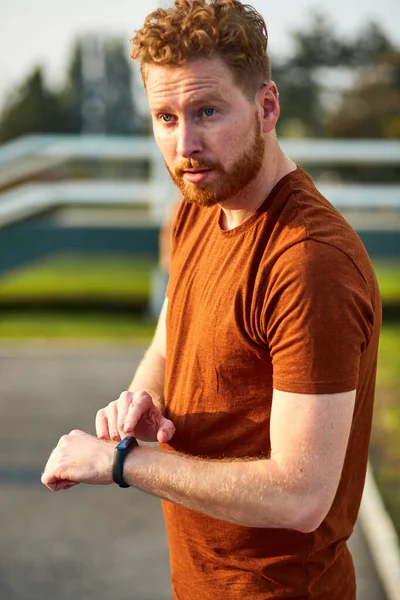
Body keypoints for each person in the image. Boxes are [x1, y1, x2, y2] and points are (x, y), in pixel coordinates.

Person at [41, 1, 382, 598]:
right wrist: (142, 396)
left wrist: (121, 464)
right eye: (165, 117)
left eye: (207, 111)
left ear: (267, 105)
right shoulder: (199, 207)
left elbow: (300, 494)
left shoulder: (309, 262)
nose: (185, 145)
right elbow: (170, 334)